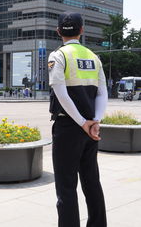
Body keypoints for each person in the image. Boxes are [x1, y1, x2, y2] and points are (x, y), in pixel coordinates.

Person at [48, 12, 108, 227]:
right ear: (82, 31)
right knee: (92, 181)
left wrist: (82, 122)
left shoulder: (58, 56)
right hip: (91, 128)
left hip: (68, 126)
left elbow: (61, 94)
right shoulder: (94, 57)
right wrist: (95, 121)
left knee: (66, 186)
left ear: (58, 31)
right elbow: (102, 93)